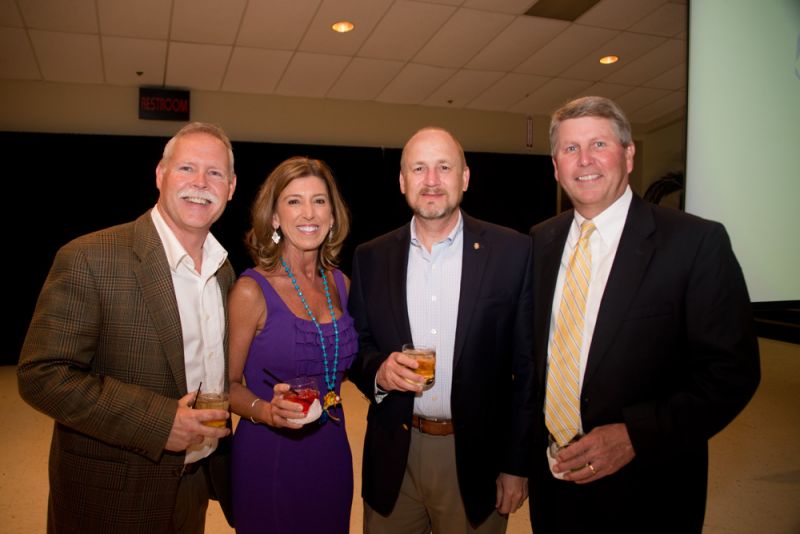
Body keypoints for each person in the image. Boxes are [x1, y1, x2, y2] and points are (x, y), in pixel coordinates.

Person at [528, 96, 761, 533]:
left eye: (599, 144)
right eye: (570, 149)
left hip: (648, 487)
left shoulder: (694, 243)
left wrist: (637, 435)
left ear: (629, 154)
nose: (585, 160)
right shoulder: (540, 241)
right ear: (555, 166)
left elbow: (732, 372)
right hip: (554, 483)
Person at [17, 122, 238, 533]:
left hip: (192, 487)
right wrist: (157, 422)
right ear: (160, 175)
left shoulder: (224, 272)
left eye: (215, 173)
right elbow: (41, 375)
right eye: (187, 168)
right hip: (111, 495)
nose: (200, 183)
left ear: (231, 187)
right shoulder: (90, 257)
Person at [348, 127, 535, 533]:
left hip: (475, 456)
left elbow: (527, 369)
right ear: (402, 181)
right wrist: (379, 372)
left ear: (464, 178)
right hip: (394, 452)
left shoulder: (513, 252)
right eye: (419, 168)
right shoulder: (370, 258)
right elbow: (357, 347)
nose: (431, 180)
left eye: (443, 167)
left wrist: (516, 464)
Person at [228, 156, 357, 534]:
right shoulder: (251, 290)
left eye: (319, 201)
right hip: (271, 454)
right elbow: (227, 385)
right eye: (294, 201)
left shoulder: (341, 284)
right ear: (274, 218)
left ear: (333, 216)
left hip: (332, 450)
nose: (309, 213)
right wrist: (267, 410)